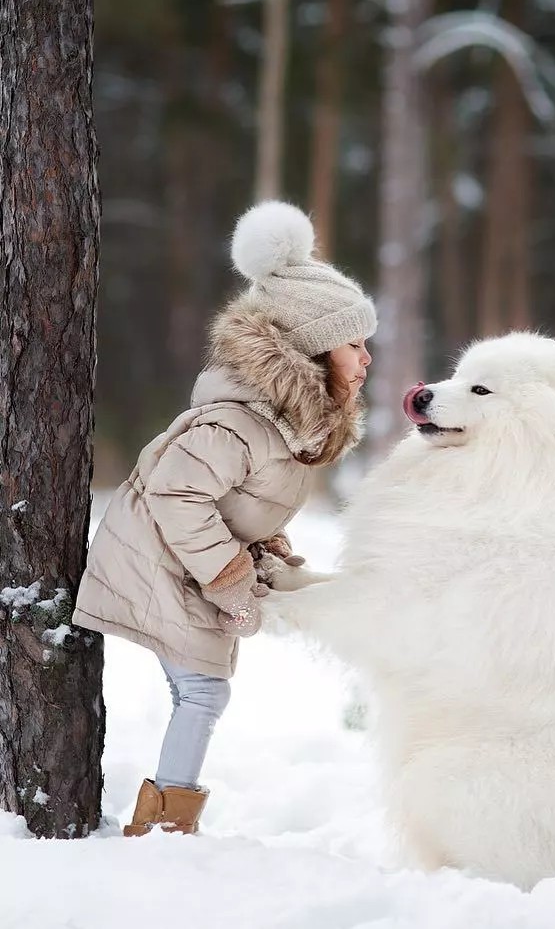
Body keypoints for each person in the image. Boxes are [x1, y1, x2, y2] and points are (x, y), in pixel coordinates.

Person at [72, 200, 375, 835]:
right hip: (158, 563)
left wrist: (268, 547)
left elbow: (239, 501)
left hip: (184, 561)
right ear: (314, 351)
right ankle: (162, 830)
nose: (365, 359)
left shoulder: (281, 424)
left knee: (203, 693)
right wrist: (230, 576)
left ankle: (166, 822)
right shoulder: (238, 422)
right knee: (204, 692)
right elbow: (176, 495)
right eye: (353, 343)